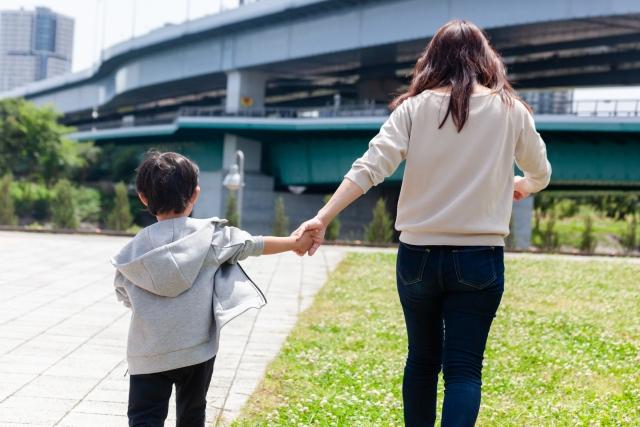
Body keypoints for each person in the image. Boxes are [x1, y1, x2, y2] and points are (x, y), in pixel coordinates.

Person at [293, 19, 551, 426]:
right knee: (464, 369)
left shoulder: (413, 109)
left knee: (422, 359)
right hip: (479, 258)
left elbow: (369, 167)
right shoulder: (510, 110)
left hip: (418, 258)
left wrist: (322, 217)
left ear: (433, 59)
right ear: (485, 59)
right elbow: (541, 172)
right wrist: (521, 184)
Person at [111, 151, 314, 427]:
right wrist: (294, 243)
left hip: (148, 353)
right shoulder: (210, 237)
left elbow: (123, 294)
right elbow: (253, 244)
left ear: (143, 197)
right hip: (197, 351)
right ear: (194, 195)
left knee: (144, 418)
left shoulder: (131, 254)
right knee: (192, 414)